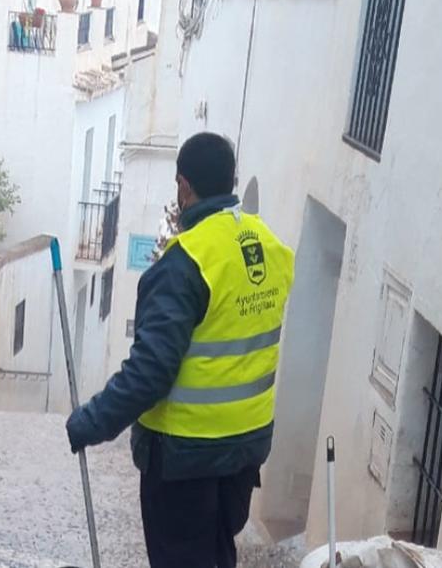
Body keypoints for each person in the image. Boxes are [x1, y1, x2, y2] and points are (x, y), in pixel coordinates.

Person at [65, 132, 296, 568]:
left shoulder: (185, 262)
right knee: (216, 554)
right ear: (232, 180)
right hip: (245, 448)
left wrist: (90, 423)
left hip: (186, 454)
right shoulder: (269, 245)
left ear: (183, 187)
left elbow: (150, 372)